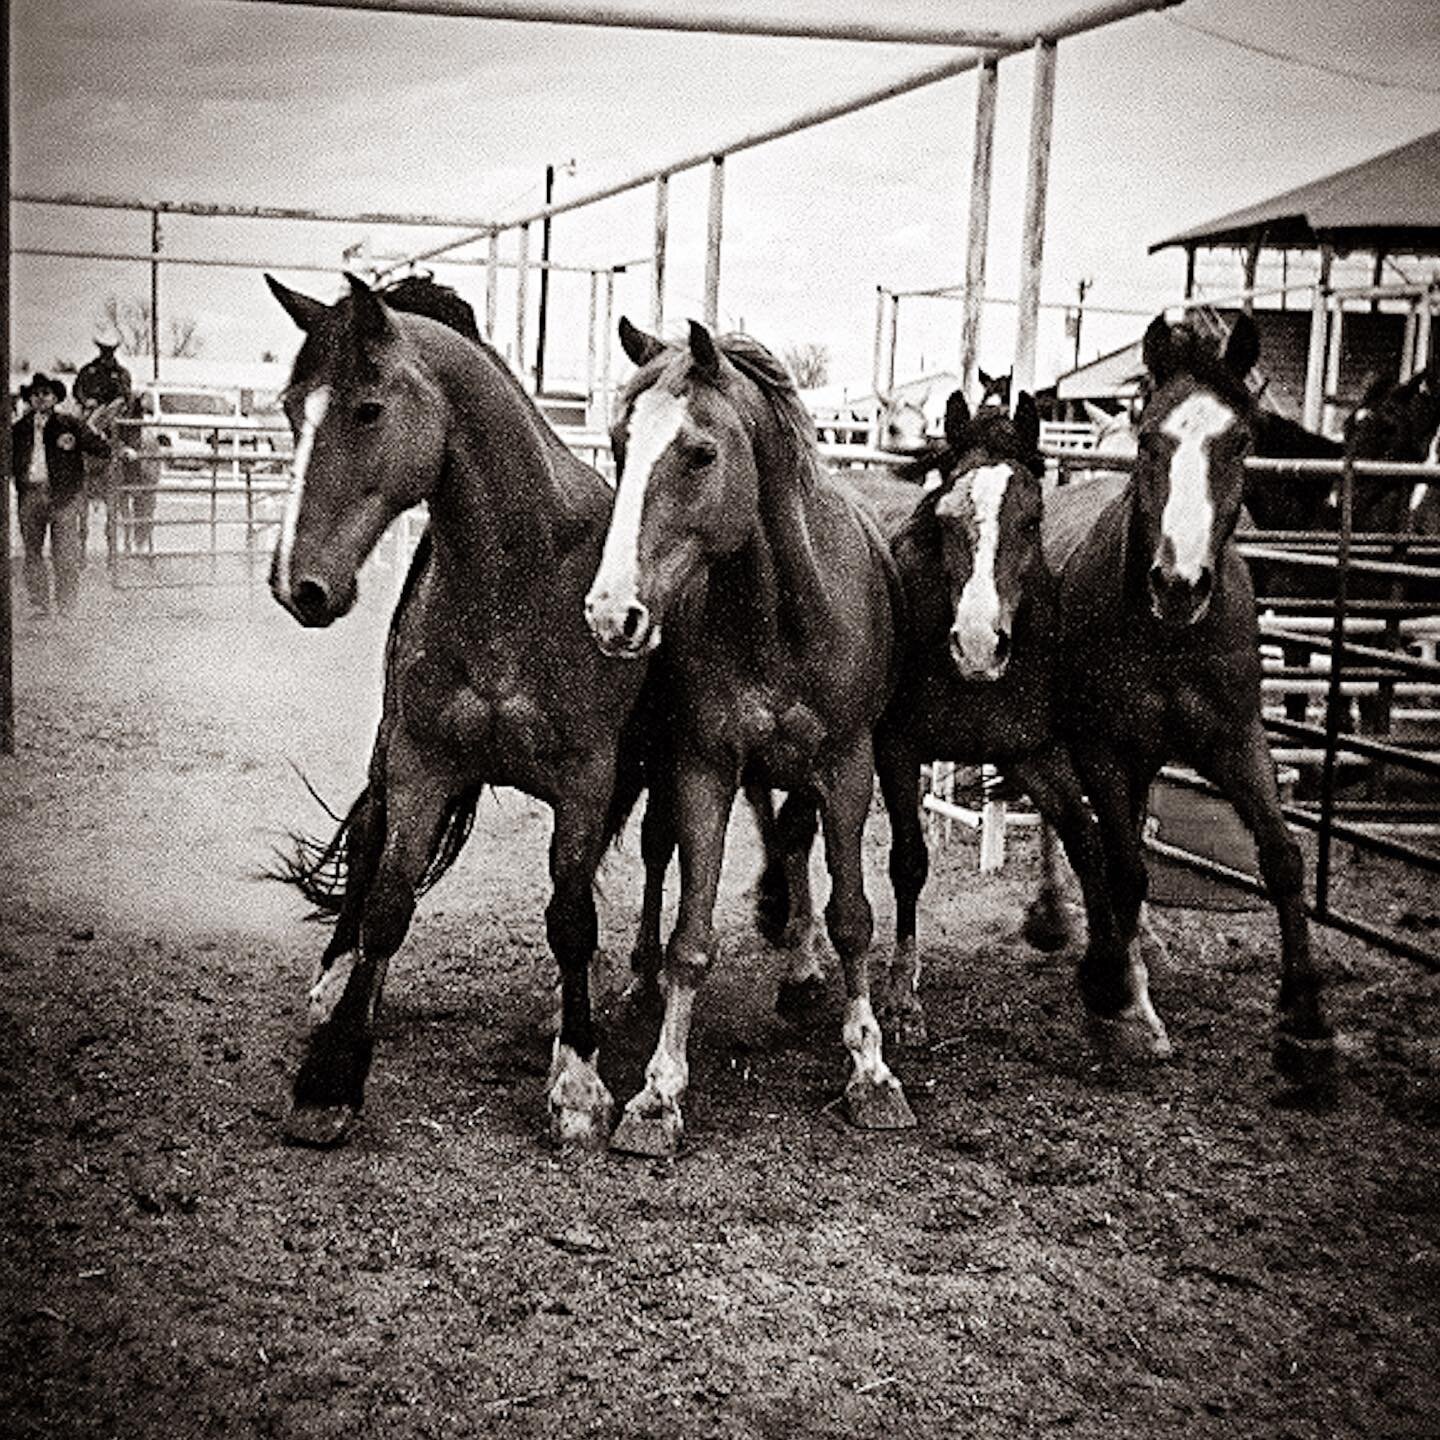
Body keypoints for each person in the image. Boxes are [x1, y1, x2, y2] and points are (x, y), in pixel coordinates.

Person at [11, 374, 110, 617]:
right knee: (32, 552)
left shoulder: (70, 425)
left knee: (65, 553)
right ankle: (40, 604)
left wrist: (114, 449)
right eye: (35, 394)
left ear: (55, 398)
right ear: (29, 399)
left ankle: (67, 605)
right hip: (31, 495)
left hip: (63, 497)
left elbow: (99, 447)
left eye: (45, 393)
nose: (40, 398)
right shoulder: (19, 429)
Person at [73, 336, 135, 559]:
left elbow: (127, 396)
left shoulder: (122, 373)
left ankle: (124, 458)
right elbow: (77, 390)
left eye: (110, 351)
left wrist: (117, 403)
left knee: (121, 423)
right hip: (92, 411)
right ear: (99, 350)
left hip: (112, 416)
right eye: (104, 350)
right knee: (73, 430)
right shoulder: (88, 371)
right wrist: (86, 400)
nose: (106, 355)